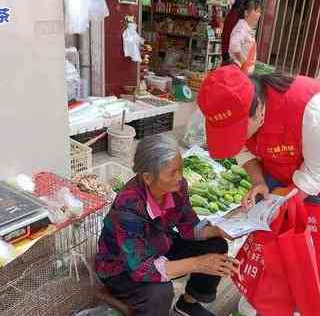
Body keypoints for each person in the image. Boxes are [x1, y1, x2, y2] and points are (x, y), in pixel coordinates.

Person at [197, 65, 320, 278]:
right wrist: (258, 181)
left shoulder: (307, 104)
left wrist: (278, 206)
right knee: (276, 236)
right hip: (278, 168)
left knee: (315, 241)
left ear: (259, 108)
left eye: (238, 132)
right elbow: (241, 149)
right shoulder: (241, 115)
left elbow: (317, 172)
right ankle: (276, 289)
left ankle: (310, 288)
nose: (239, 139)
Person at [95, 134, 239, 316]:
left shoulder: (178, 188)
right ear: (148, 177)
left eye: (181, 169)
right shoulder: (128, 208)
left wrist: (217, 230)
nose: (180, 177)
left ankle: (188, 305)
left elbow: (188, 224)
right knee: (160, 292)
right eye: (173, 172)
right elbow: (141, 269)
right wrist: (197, 264)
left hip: (158, 245)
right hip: (123, 266)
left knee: (215, 245)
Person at [229, 0, 262, 74]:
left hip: (245, 71)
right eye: (256, 11)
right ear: (246, 12)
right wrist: (243, 62)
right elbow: (234, 45)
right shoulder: (242, 27)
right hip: (239, 70)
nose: (258, 15)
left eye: (260, 12)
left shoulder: (248, 28)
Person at [221, 0, 244, 65]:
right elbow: (227, 36)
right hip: (230, 56)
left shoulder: (234, 16)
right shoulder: (235, 17)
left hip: (229, 54)